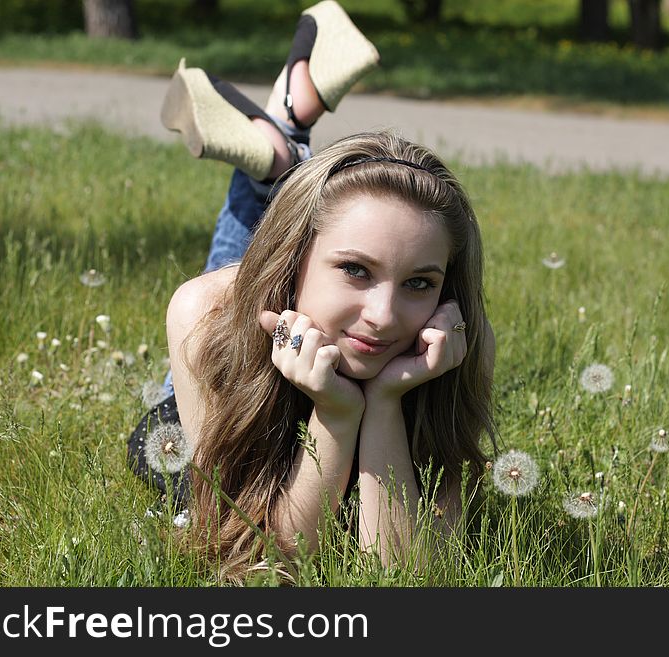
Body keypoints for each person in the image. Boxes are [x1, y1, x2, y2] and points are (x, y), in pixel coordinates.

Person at [128, 1, 496, 581]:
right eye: (355, 270)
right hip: (242, 341)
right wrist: (334, 416)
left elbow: (403, 573)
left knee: (309, 217)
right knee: (233, 285)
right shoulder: (205, 315)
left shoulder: (448, 342)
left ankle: (281, 141)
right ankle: (284, 142)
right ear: (294, 258)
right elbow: (263, 560)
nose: (382, 316)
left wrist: (383, 402)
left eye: (420, 282)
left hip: (295, 279)